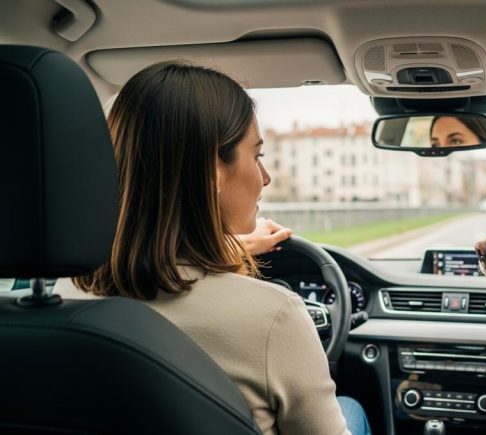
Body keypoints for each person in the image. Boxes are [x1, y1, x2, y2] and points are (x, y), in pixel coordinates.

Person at [54, 61, 370, 435]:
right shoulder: (275, 316)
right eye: (257, 156)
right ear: (213, 172)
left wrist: (234, 248)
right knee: (350, 409)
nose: (265, 178)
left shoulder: (64, 295)